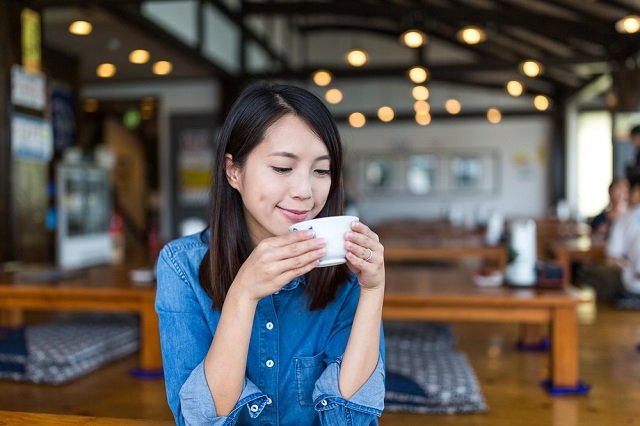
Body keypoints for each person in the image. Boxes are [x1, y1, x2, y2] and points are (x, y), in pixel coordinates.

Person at [155, 83, 386, 426]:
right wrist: (243, 294)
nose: (305, 192)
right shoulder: (181, 266)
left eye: (321, 170)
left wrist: (372, 290)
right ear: (233, 170)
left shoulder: (347, 267)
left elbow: (350, 420)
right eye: (282, 168)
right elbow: (200, 421)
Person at [581, 177, 640, 302]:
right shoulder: (602, 219)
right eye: (617, 191)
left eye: (625, 191)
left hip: (632, 283)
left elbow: (611, 257)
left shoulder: (625, 220)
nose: (621, 195)